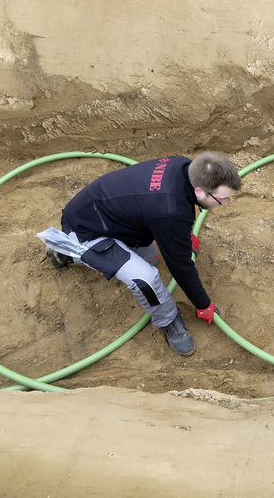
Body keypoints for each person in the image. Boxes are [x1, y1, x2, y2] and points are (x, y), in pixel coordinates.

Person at [42, 152, 242, 356]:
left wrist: (180, 235)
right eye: (222, 199)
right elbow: (181, 266)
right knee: (146, 279)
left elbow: (165, 209)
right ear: (199, 191)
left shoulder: (181, 165)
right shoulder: (170, 210)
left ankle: (74, 249)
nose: (225, 204)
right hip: (87, 229)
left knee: (152, 258)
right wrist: (203, 304)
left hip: (107, 214)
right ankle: (168, 319)